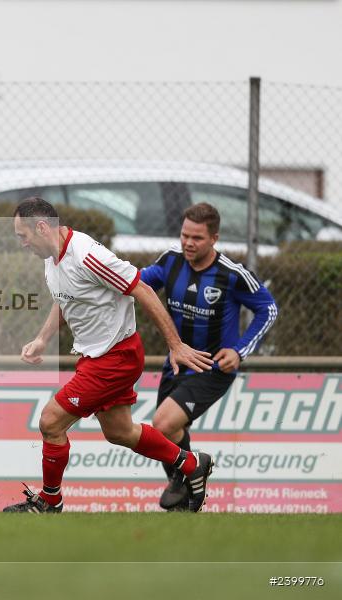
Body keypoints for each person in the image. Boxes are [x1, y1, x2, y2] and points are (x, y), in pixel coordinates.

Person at [3, 197, 215, 514]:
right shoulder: (53, 258)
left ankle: (49, 501)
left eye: (23, 235)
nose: (22, 243)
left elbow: (141, 288)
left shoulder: (87, 255)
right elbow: (66, 299)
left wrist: (175, 344)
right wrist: (42, 338)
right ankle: (190, 463)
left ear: (42, 227)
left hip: (116, 358)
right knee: (120, 432)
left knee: (51, 421)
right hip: (96, 356)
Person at [140, 203, 278, 510]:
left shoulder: (232, 275)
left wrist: (240, 351)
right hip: (177, 362)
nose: (188, 243)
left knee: (162, 425)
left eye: (197, 238)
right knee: (171, 431)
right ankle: (186, 500)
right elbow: (136, 282)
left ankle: (184, 477)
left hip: (213, 368)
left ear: (214, 238)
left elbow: (267, 309)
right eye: (184, 235)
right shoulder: (171, 262)